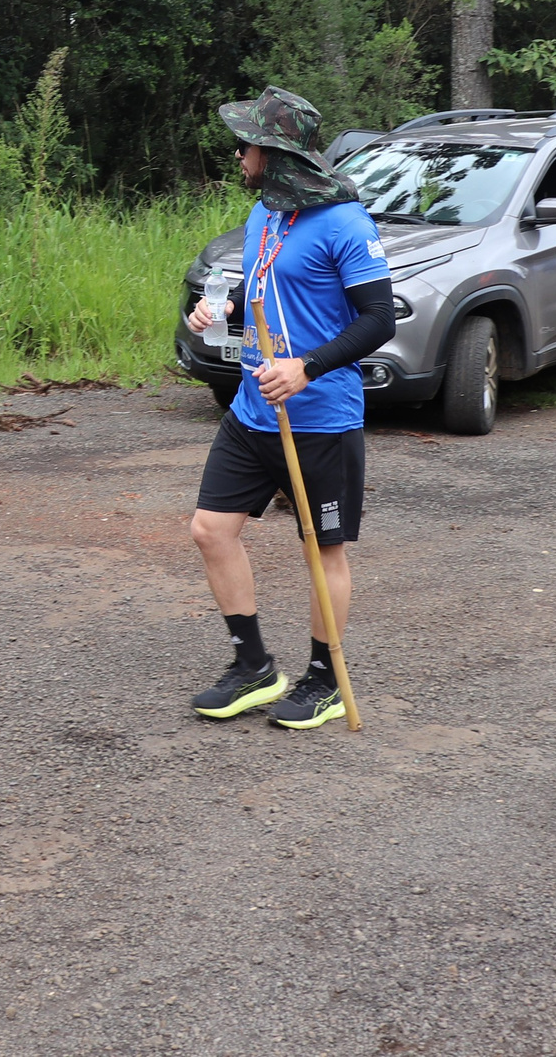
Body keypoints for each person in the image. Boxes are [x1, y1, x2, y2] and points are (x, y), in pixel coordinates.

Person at [182, 86, 394, 728]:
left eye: (246, 144)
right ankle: (253, 668)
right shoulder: (265, 215)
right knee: (210, 529)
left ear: (272, 153)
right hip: (252, 410)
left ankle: (325, 682)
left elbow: (378, 319)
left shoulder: (347, 223)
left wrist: (305, 368)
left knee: (321, 551)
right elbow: (264, 291)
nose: (238, 155)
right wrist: (222, 309)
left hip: (320, 416)